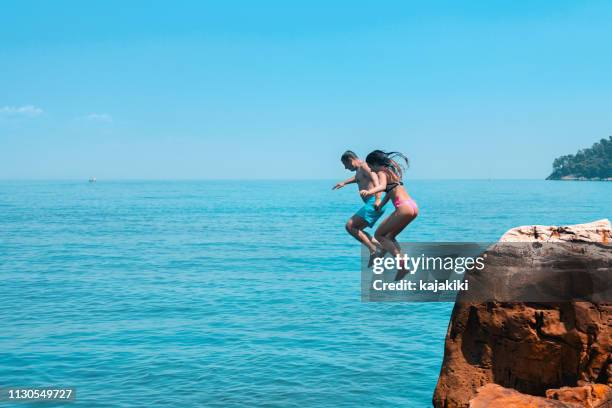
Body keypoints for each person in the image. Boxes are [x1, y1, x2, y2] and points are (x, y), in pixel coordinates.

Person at [359, 150, 418, 280]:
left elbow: (382, 186)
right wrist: (380, 205)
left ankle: (402, 265)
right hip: (412, 207)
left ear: (375, 163)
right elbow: (390, 191)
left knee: (378, 235)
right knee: (390, 236)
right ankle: (401, 266)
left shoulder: (381, 172)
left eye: (370, 166)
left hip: (403, 208)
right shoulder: (392, 172)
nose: (370, 170)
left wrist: (369, 192)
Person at [333, 150, 385, 266]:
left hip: (374, 202)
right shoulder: (360, 170)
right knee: (357, 230)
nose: (345, 168)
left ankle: (373, 251)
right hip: (374, 202)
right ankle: (382, 248)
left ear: (350, 160)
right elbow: (358, 178)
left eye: (345, 164)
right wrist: (344, 183)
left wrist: (377, 199)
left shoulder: (365, 166)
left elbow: (376, 180)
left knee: (350, 226)